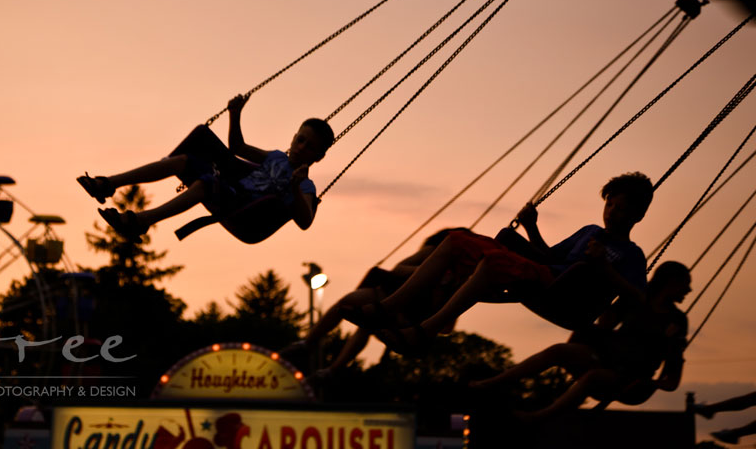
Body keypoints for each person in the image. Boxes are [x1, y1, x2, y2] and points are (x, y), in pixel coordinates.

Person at [347, 172, 654, 352]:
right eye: (609, 204)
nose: (611, 213)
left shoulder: (631, 255)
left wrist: (604, 271)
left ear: (638, 216)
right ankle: (388, 308)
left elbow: (639, 299)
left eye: (621, 209)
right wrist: (532, 227)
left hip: (568, 298)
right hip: (543, 274)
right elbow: (549, 257)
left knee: (493, 264)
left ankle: (426, 330)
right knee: (455, 239)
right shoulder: (590, 232)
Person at [78, 94, 334, 242]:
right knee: (184, 160)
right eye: (300, 139)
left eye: (310, 147)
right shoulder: (275, 157)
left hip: (244, 211)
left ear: (319, 156)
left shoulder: (306, 186)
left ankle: (141, 221)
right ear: (294, 137)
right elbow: (237, 147)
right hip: (230, 186)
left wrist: (295, 187)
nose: (301, 148)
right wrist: (236, 114)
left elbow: (305, 221)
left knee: (206, 184)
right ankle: (108, 184)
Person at [468, 260, 691, 421]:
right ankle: (492, 383)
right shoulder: (635, 299)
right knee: (558, 351)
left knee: (593, 377)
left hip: (630, 380)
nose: (689, 290)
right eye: (685, 283)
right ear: (670, 282)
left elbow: (671, 377)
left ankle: (539, 416)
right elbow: (605, 325)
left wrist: (670, 348)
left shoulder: (677, 321)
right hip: (605, 357)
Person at [281, 230, 462, 379]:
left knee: (365, 325)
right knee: (346, 305)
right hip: (392, 293)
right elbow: (399, 268)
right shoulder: (434, 252)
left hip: (410, 310)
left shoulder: (458, 275)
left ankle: (332, 368)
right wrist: (431, 273)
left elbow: (447, 325)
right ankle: (310, 344)